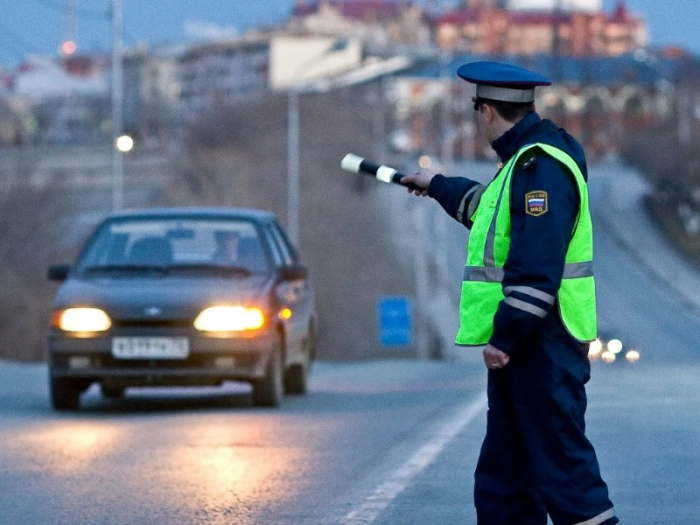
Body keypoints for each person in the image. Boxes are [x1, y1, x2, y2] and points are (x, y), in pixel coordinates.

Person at [401, 61, 618, 525]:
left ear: (486, 111)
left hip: (542, 346)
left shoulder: (541, 167)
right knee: (505, 484)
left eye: (476, 110)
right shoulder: (522, 164)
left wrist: (505, 338)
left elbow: (536, 266)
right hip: (529, 351)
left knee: (566, 479)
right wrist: (436, 185)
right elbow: (489, 213)